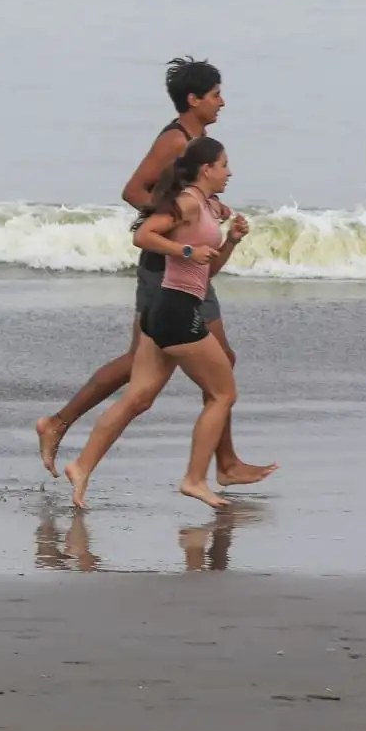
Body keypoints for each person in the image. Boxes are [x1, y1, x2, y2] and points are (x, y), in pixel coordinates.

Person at [35, 59, 273, 486]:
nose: (222, 101)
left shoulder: (200, 142)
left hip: (187, 265)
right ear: (193, 99)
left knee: (159, 366)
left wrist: (203, 210)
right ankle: (59, 423)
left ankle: (225, 461)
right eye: (216, 94)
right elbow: (133, 190)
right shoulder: (175, 140)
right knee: (154, 369)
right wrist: (179, 218)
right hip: (166, 266)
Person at [64, 137, 261, 510]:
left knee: (137, 399)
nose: (229, 172)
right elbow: (143, 235)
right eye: (224, 165)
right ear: (207, 169)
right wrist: (185, 249)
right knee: (223, 394)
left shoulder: (203, 206)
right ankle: (195, 479)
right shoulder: (187, 202)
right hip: (175, 313)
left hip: (166, 310)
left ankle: (81, 466)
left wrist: (230, 242)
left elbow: (206, 272)